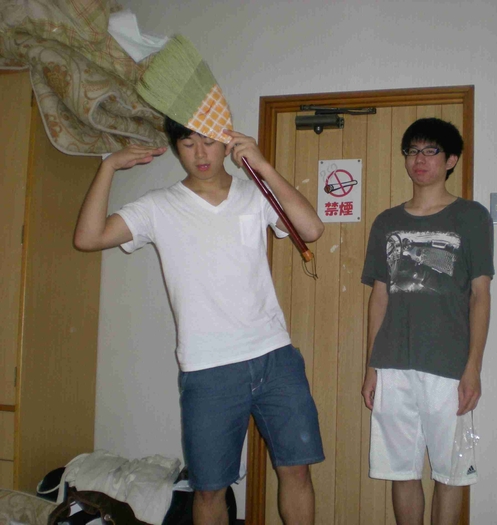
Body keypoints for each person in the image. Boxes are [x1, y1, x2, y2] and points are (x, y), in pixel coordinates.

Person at [74, 117, 325, 525]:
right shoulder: (158, 206)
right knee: (209, 489)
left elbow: (311, 229)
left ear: (227, 143)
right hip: (208, 369)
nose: (200, 153)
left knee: (296, 471)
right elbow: (88, 238)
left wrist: (263, 166)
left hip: (274, 358)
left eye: (209, 141)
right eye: (188, 143)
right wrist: (109, 166)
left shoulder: (254, 193)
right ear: (177, 149)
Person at [360, 117, 494, 525]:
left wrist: (473, 367)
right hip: (393, 364)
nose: (420, 159)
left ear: (451, 160)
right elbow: (379, 296)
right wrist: (371, 367)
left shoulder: (471, 217)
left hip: (448, 365)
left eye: (431, 151)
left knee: (451, 474)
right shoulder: (386, 222)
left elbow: (481, 295)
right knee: (401, 471)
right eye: (412, 151)